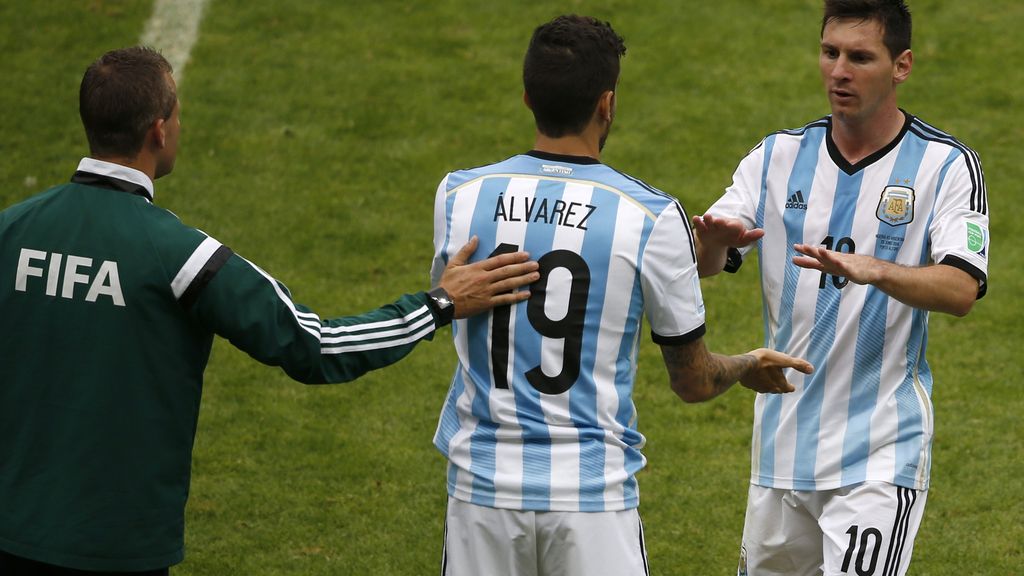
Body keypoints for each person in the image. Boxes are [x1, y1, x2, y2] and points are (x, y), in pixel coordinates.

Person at [0, 46, 541, 575]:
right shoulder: (180, 256)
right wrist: (440, 303)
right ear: (158, 132)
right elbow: (316, 348)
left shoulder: (12, 231)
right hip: (113, 545)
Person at [428, 15, 814, 576]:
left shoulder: (459, 195)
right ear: (606, 104)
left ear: (528, 96)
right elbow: (695, 379)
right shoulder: (651, 217)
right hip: (592, 503)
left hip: (479, 497)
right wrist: (748, 362)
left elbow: (450, 301)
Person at [691, 1, 989, 574]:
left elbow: (961, 289)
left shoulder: (946, 166)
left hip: (879, 450)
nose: (839, 72)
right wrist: (713, 242)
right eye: (830, 53)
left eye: (860, 57)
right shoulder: (777, 156)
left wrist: (874, 269)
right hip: (781, 448)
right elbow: (708, 264)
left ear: (901, 66)